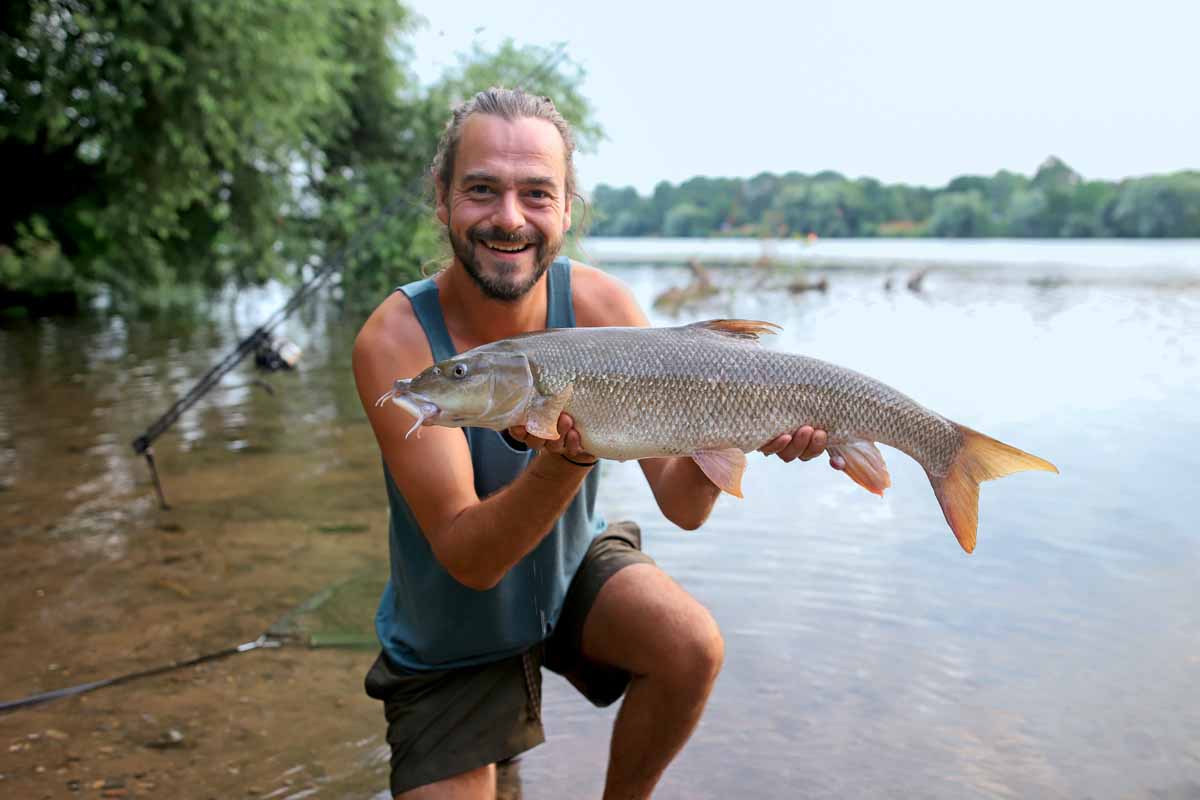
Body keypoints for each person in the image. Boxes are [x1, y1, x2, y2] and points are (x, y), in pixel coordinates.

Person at [352, 87, 844, 800]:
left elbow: (684, 504)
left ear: (568, 207)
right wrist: (569, 458)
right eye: (482, 190)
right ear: (442, 198)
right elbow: (471, 559)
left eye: (536, 193)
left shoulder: (604, 307)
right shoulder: (396, 342)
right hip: (452, 628)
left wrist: (740, 429)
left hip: (566, 566)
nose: (509, 218)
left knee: (691, 646)